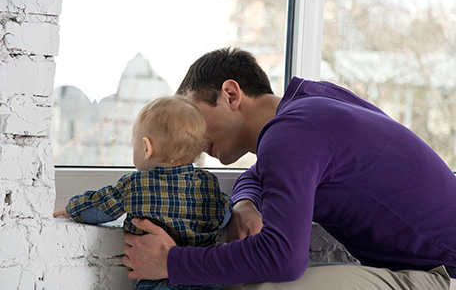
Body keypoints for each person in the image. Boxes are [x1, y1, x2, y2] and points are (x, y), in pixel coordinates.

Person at [121, 48, 456, 290]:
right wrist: (245, 205)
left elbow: (283, 258)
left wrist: (172, 262)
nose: (189, 134)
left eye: (192, 117)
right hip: (430, 266)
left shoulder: (289, 135)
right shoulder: (311, 102)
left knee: (260, 287)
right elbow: (255, 174)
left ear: (230, 94)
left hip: (443, 275)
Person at [54, 96, 233, 290]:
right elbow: (224, 215)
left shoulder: (136, 185)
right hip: (205, 280)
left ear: (147, 148)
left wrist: (72, 209)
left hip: (158, 284)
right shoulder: (208, 184)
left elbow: (99, 207)